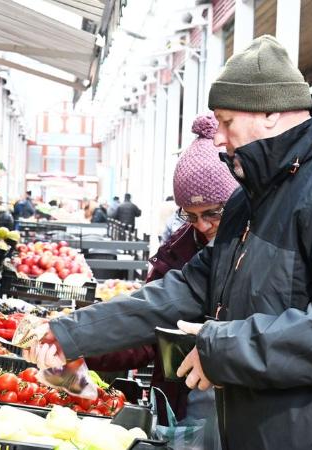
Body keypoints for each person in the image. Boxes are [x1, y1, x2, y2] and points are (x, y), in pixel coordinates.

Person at [24, 35, 312, 449]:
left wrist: (221, 349)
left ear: (270, 115)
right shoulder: (253, 198)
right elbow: (190, 288)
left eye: (226, 121)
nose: (218, 138)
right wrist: (71, 333)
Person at [85, 115, 244, 448]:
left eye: (213, 212)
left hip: (246, 406)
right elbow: (148, 328)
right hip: (184, 403)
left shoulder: (261, 247)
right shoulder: (178, 250)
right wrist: (85, 346)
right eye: (191, 215)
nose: (202, 225)